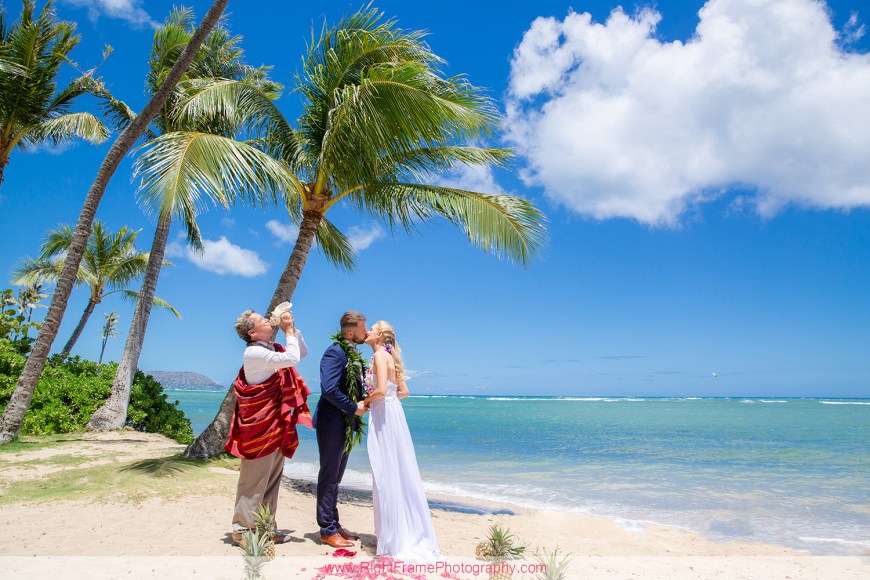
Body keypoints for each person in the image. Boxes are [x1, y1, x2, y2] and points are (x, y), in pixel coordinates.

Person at [226, 308, 312, 546]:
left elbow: (300, 352)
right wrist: (287, 331)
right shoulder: (253, 352)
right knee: (253, 480)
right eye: (261, 320)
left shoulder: (272, 349)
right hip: (258, 427)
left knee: (272, 478)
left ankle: (264, 526)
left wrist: (291, 330)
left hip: (274, 423)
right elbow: (292, 359)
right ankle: (242, 529)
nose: (266, 319)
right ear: (252, 332)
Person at [362, 321, 440, 562]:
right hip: (393, 414)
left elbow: (382, 390)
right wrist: (382, 399)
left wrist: (364, 403)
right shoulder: (389, 356)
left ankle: (393, 537)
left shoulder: (378, 355)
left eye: (372, 328)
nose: (368, 331)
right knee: (399, 471)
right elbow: (403, 392)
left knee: (386, 472)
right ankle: (400, 532)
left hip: (384, 415)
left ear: (381, 335)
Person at [315, 311, 368, 548]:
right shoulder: (335, 352)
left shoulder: (353, 353)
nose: (365, 333)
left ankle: (334, 524)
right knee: (329, 476)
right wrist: (352, 408)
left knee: (336, 477)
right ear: (350, 332)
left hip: (344, 424)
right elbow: (328, 389)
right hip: (332, 423)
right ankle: (326, 530)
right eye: (362, 328)